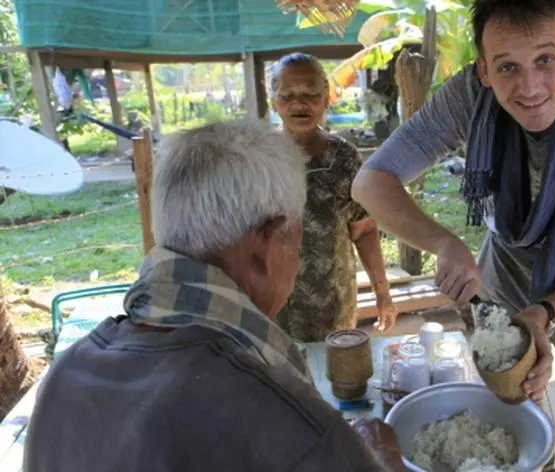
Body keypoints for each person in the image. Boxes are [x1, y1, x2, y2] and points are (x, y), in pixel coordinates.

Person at [352, 1, 555, 471]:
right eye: (507, 66)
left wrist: (543, 315)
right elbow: (371, 181)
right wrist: (447, 244)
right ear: (484, 70)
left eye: (545, 59)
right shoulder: (469, 96)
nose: (529, 88)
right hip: (506, 256)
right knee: (513, 395)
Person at [24, 120, 405, 472]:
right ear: (270, 247)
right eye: (298, 243)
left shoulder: (64, 376)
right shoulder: (284, 418)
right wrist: (380, 461)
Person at [269, 52, 398, 343]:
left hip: (334, 303)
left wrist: (382, 292)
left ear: (327, 96)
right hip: (272, 305)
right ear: (273, 102)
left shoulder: (344, 158)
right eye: (287, 94)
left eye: (310, 93)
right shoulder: (258, 158)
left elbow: (363, 229)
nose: (299, 103)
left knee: (336, 375)